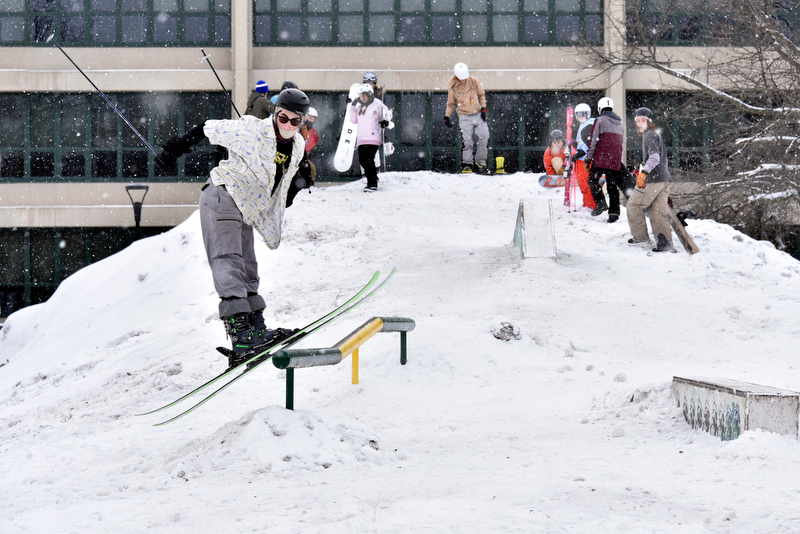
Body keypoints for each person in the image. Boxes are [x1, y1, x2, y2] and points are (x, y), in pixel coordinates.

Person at [162, 89, 313, 369]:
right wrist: (174, 151)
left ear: (302, 121)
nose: (287, 125)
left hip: (247, 206)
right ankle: (241, 336)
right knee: (228, 259)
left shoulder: (298, 146)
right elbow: (206, 128)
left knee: (248, 265)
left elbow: (287, 178)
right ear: (275, 113)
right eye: (282, 118)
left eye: (294, 121)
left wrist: (294, 187)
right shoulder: (251, 129)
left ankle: (256, 327)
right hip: (223, 194)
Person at [626, 107, 674, 252]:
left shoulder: (649, 135)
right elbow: (662, 159)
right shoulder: (654, 134)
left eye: (643, 120)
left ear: (649, 122)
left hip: (654, 179)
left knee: (633, 205)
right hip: (664, 178)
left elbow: (654, 158)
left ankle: (640, 237)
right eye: (638, 121)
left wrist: (644, 173)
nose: (640, 123)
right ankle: (664, 241)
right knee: (656, 210)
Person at [585, 96, 627, 223]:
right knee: (612, 186)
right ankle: (614, 214)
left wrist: (588, 158)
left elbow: (593, 141)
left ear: (600, 108)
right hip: (614, 160)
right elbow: (620, 144)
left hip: (601, 158)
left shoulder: (600, 120)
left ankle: (601, 203)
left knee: (592, 180)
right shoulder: (620, 124)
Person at [444, 62, 490, 174]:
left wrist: (484, 109)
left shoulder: (474, 81)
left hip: (478, 113)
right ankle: (467, 164)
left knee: (484, 135)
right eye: (461, 78)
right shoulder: (453, 85)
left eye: (465, 78)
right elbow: (451, 103)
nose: (463, 80)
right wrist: (447, 116)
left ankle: (481, 162)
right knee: (467, 141)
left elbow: (481, 95)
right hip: (464, 116)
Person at [350, 84, 390, 191]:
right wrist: (353, 105)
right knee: (363, 161)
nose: (362, 98)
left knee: (369, 160)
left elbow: (386, 113)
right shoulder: (360, 107)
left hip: (373, 138)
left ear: (370, 95)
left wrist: (385, 121)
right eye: (360, 96)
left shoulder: (377, 104)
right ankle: (373, 179)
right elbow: (353, 120)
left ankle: (372, 184)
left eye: (363, 96)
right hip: (362, 139)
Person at [571, 103, 596, 210]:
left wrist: (581, 152)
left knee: (586, 184)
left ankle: (591, 205)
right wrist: (575, 144)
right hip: (581, 160)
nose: (581, 116)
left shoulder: (589, 125)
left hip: (586, 160)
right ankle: (587, 203)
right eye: (578, 114)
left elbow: (590, 142)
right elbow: (582, 141)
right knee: (582, 184)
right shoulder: (583, 125)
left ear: (588, 114)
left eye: (583, 114)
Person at [301, 107, 319, 183]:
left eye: (313, 119)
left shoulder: (312, 132)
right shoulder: (300, 128)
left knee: (311, 168)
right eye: (310, 118)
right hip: (297, 156)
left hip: (305, 157)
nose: (311, 120)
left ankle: (308, 183)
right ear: (305, 117)